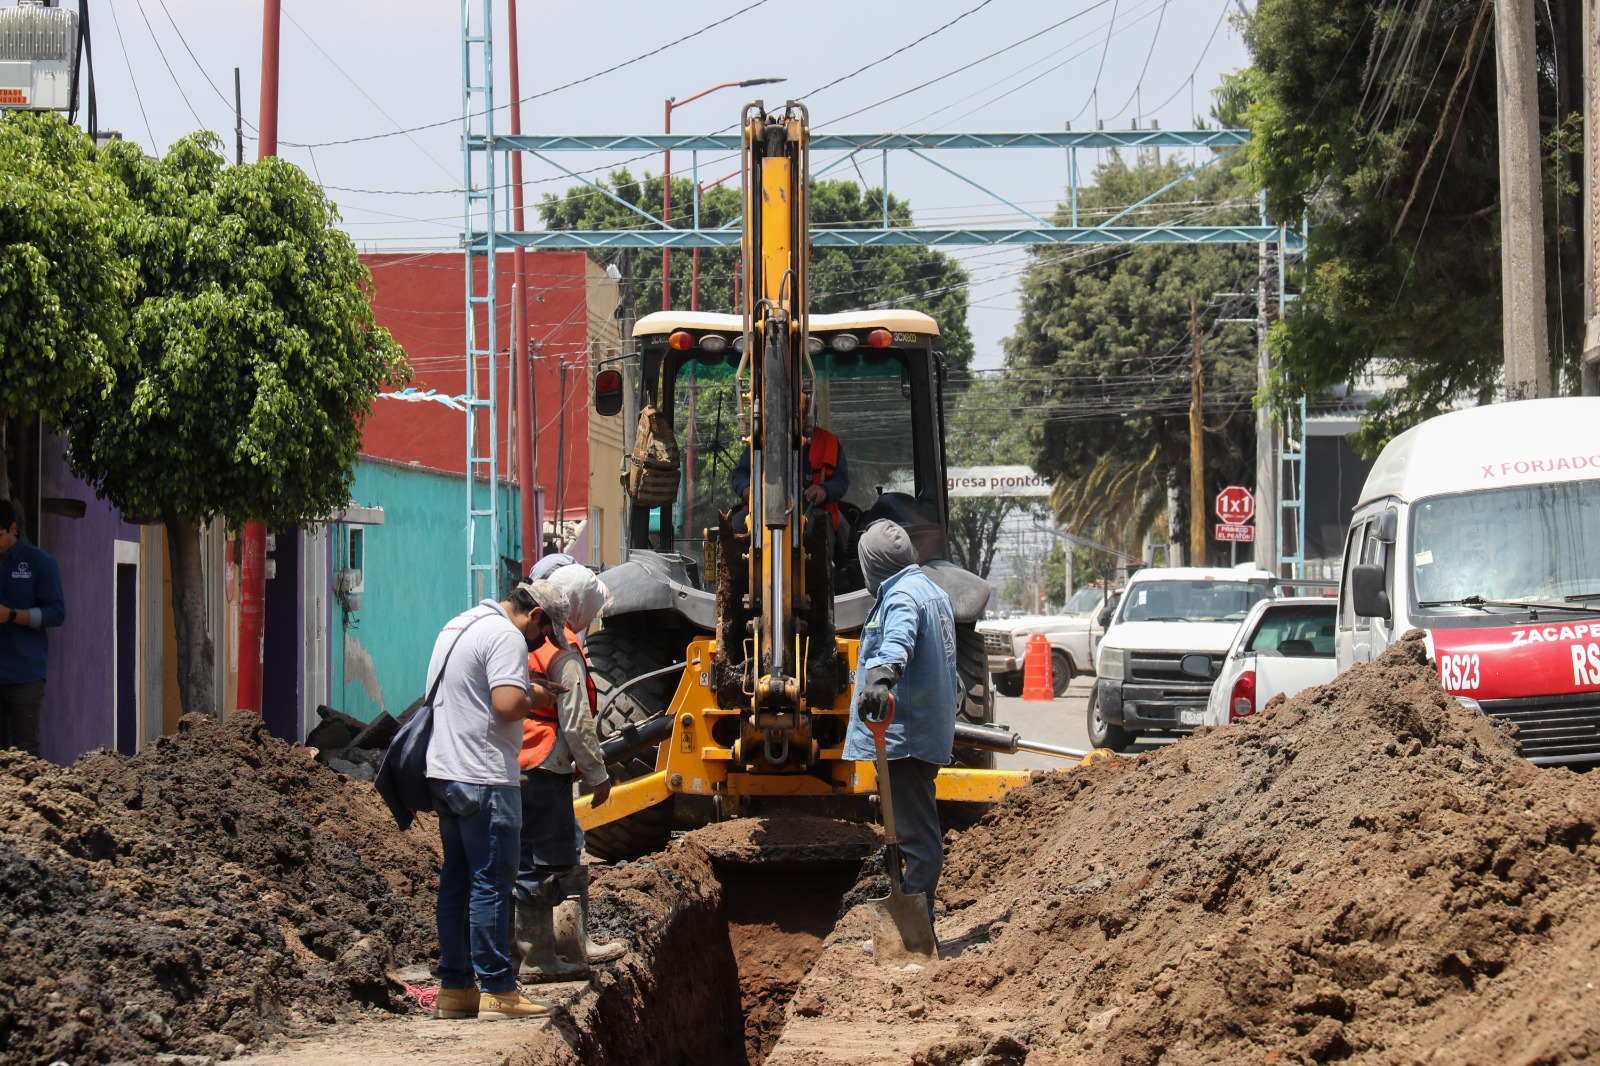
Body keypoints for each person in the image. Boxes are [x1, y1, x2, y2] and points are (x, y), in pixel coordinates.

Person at [425, 580, 569, 1021]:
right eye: (543, 635)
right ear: (537, 614)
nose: (539, 643)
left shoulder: (460, 623)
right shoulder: (506, 634)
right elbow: (506, 704)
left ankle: (456, 989)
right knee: (492, 882)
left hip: (446, 772)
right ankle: (498, 988)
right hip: (485, 777)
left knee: (457, 881)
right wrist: (538, 695)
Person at [840, 520, 959, 938]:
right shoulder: (932, 589)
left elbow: (899, 638)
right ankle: (914, 915)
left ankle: (911, 929)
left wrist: (884, 673)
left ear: (873, 565)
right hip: (923, 731)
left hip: (904, 736)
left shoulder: (904, 596)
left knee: (917, 840)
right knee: (915, 830)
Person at [511, 562, 624, 979]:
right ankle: (546, 954)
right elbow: (576, 720)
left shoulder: (516, 641)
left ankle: (517, 952)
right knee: (546, 861)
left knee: (516, 858)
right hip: (544, 762)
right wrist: (597, 774)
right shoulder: (563, 649)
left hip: (509, 763)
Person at [730, 391, 850, 534]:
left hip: (815, 508)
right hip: (763, 509)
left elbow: (841, 480)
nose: (798, 417)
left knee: (816, 527)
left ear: (811, 413)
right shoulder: (762, 441)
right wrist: (747, 488)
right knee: (737, 525)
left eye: (803, 412)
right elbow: (740, 473)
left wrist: (824, 489)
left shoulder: (828, 443)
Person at [0, 500, 65, 757]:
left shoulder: (40, 563)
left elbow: (56, 613)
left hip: (24, 674)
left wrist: (13, 615)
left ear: (12, 528)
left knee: (23, 751)